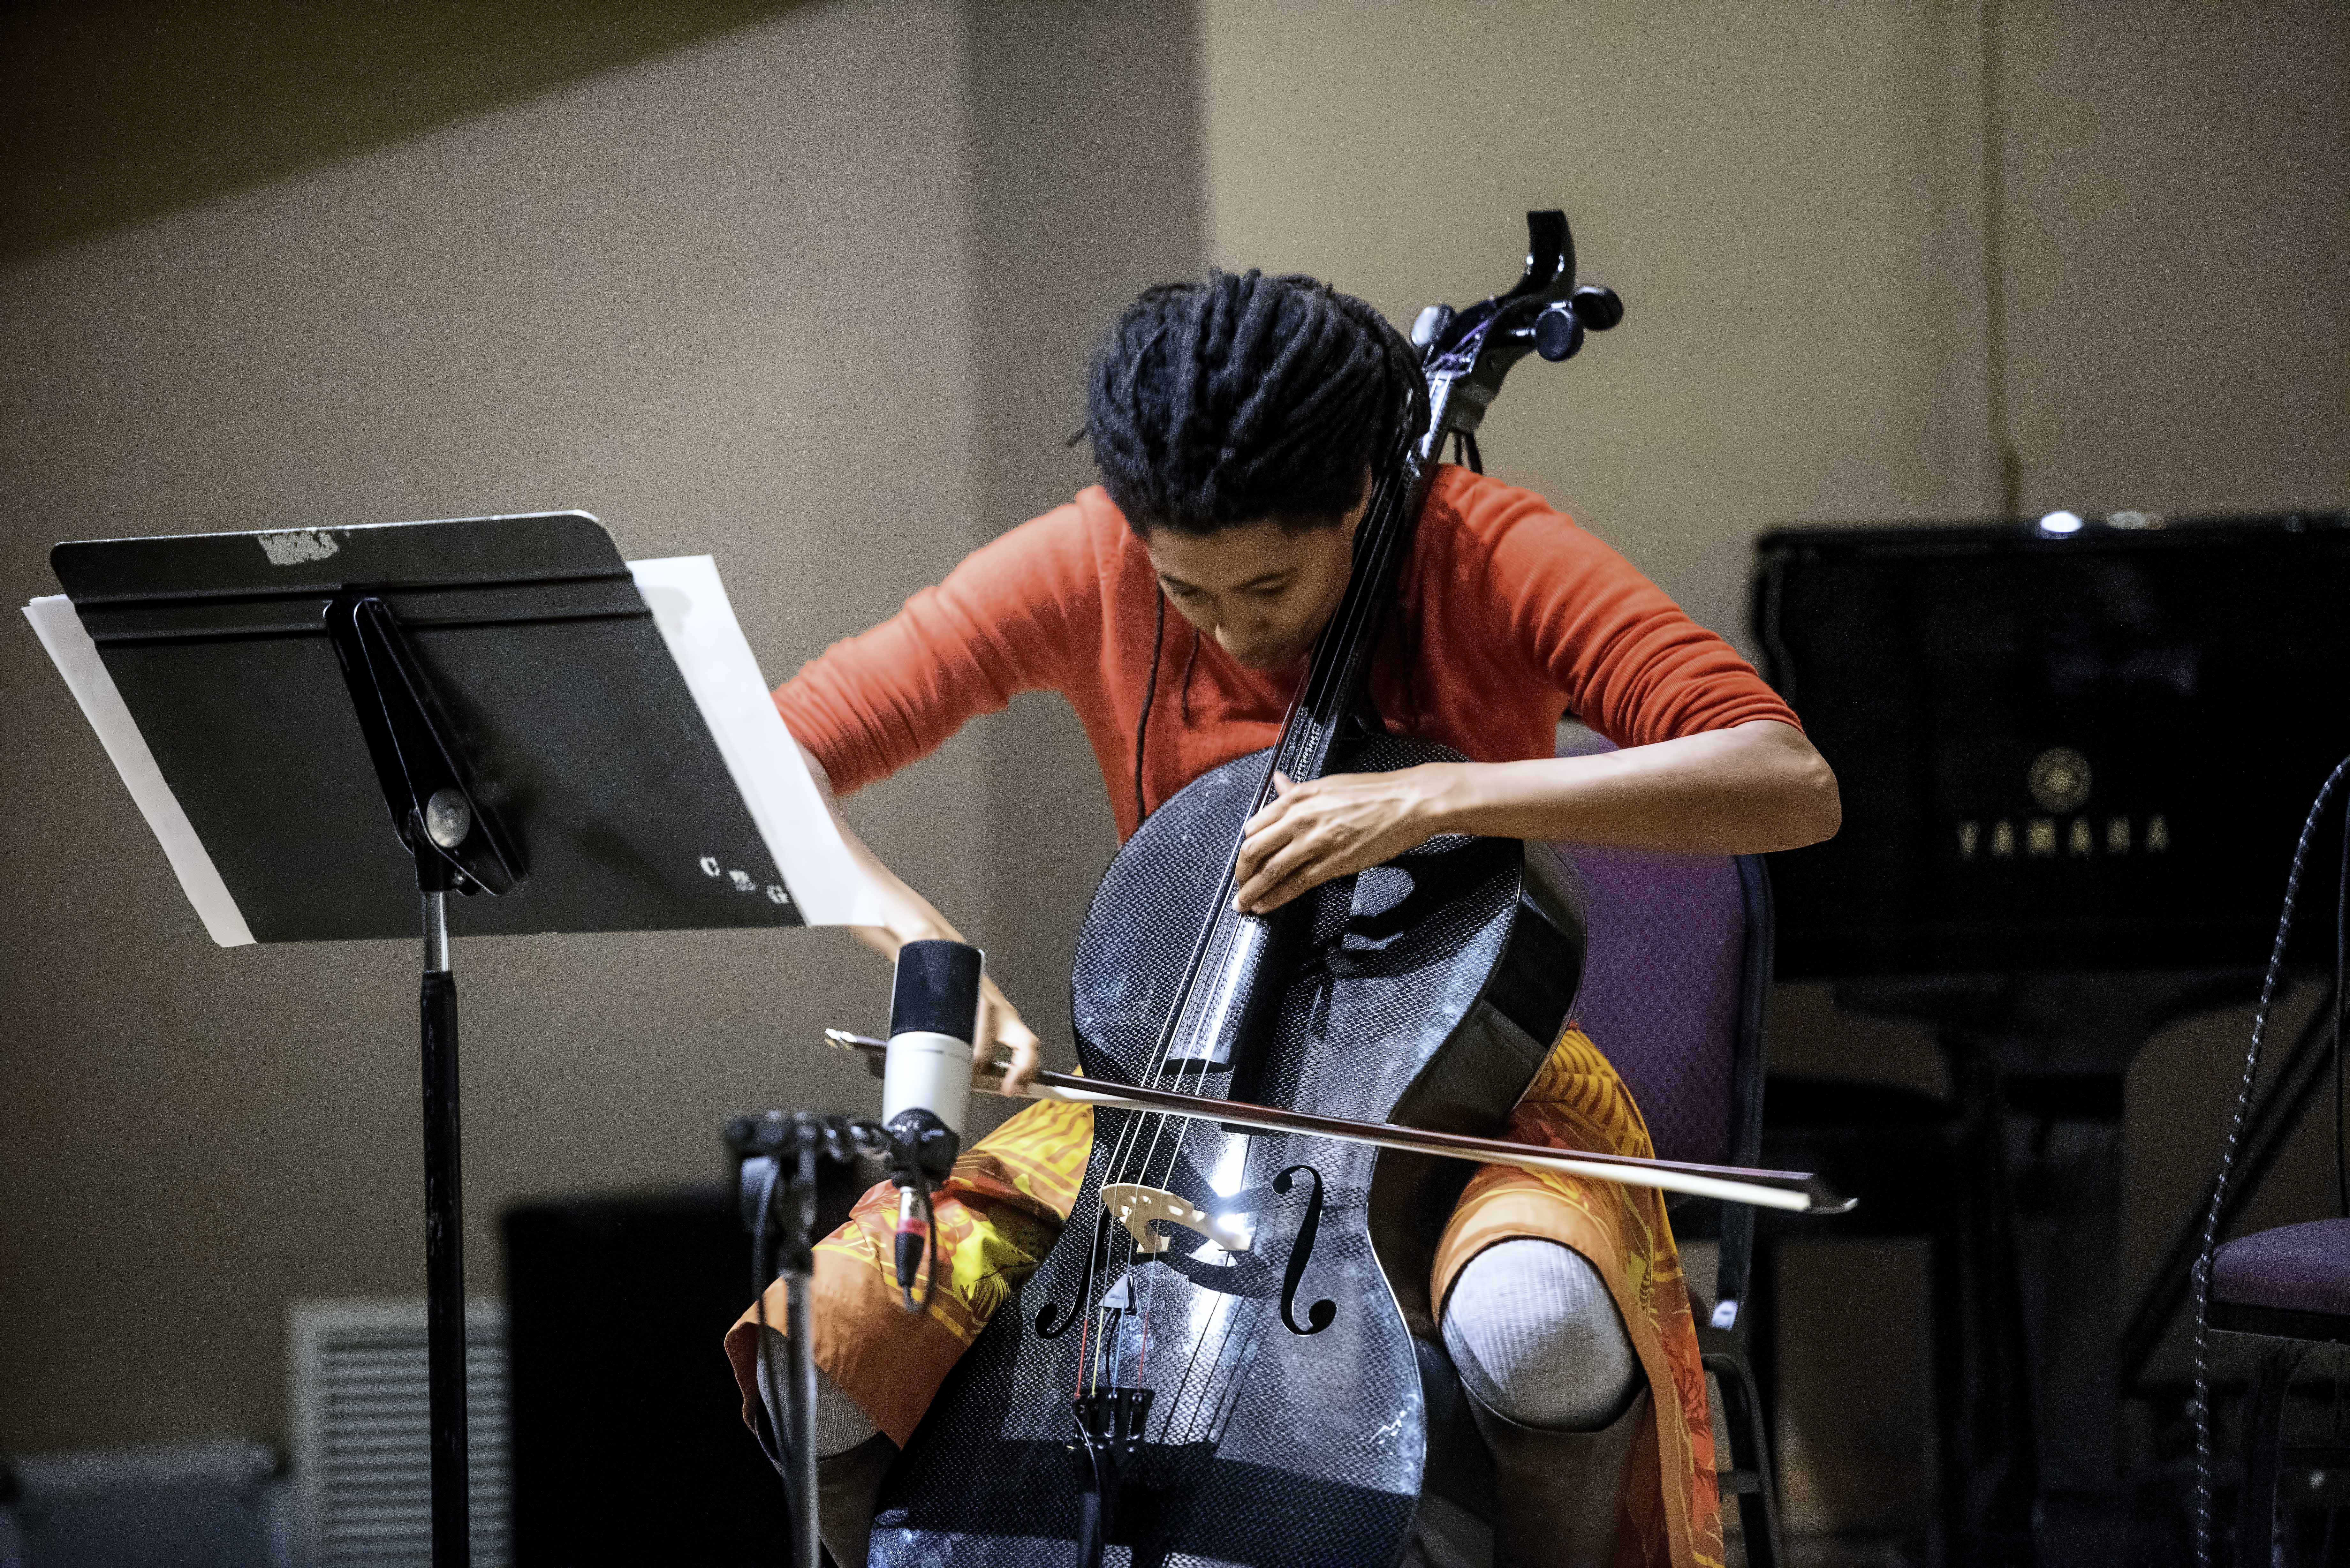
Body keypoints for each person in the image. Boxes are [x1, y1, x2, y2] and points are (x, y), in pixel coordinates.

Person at [724, 270, 1839, 1568]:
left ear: (1359, 501)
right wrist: (916, 946)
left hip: (1475, 1080)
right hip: (1164, 1091)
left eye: (1268, 587)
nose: (1232, 633)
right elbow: (770, 761)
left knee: (1538, 1325)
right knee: (831, 1352)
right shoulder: (1091, 556)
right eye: (1186, 594)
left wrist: (1441, 795)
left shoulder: (1481, 547)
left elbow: (1784, 782)